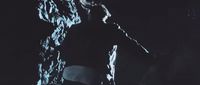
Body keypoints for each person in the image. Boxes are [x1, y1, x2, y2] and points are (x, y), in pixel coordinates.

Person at [61, 1, 155, 85]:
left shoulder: (74, 28)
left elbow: (63, 51)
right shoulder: (111, 30)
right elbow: (132, 46)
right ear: (105, 17)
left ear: (90, 14)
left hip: (69, 72)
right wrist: (150, 59)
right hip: (92, 74)